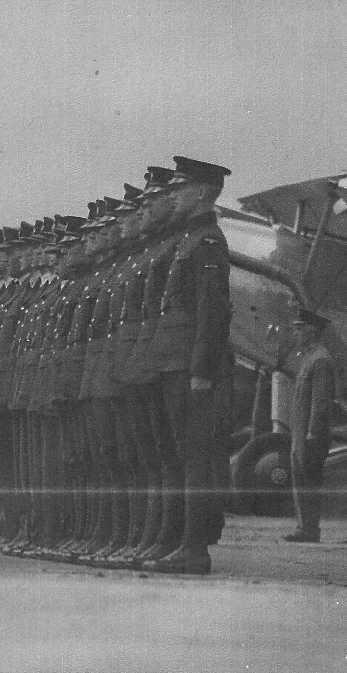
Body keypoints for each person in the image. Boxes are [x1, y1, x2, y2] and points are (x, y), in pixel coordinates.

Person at [142, 156, 233, 575]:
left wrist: (201, 369)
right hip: (170, 363)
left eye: (180, 189)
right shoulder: (187, 240)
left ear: (199, 193)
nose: (173, 196)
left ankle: (195, 549)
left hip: (187, 368)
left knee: (192, 460)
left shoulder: (208, 241)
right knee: (175, 458)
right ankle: (177, 542)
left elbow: (212, 311)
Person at [283, 309, 335, 543]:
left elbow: (321, 401)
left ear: (312, 331)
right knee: (301, 479)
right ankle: (304, 528)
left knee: (309, 480)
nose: (296, 333)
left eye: (299, 329)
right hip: (302, 433)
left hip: (311, 434)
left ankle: (309, 530)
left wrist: (313, 433)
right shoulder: (311, 357)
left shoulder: (320, 359)